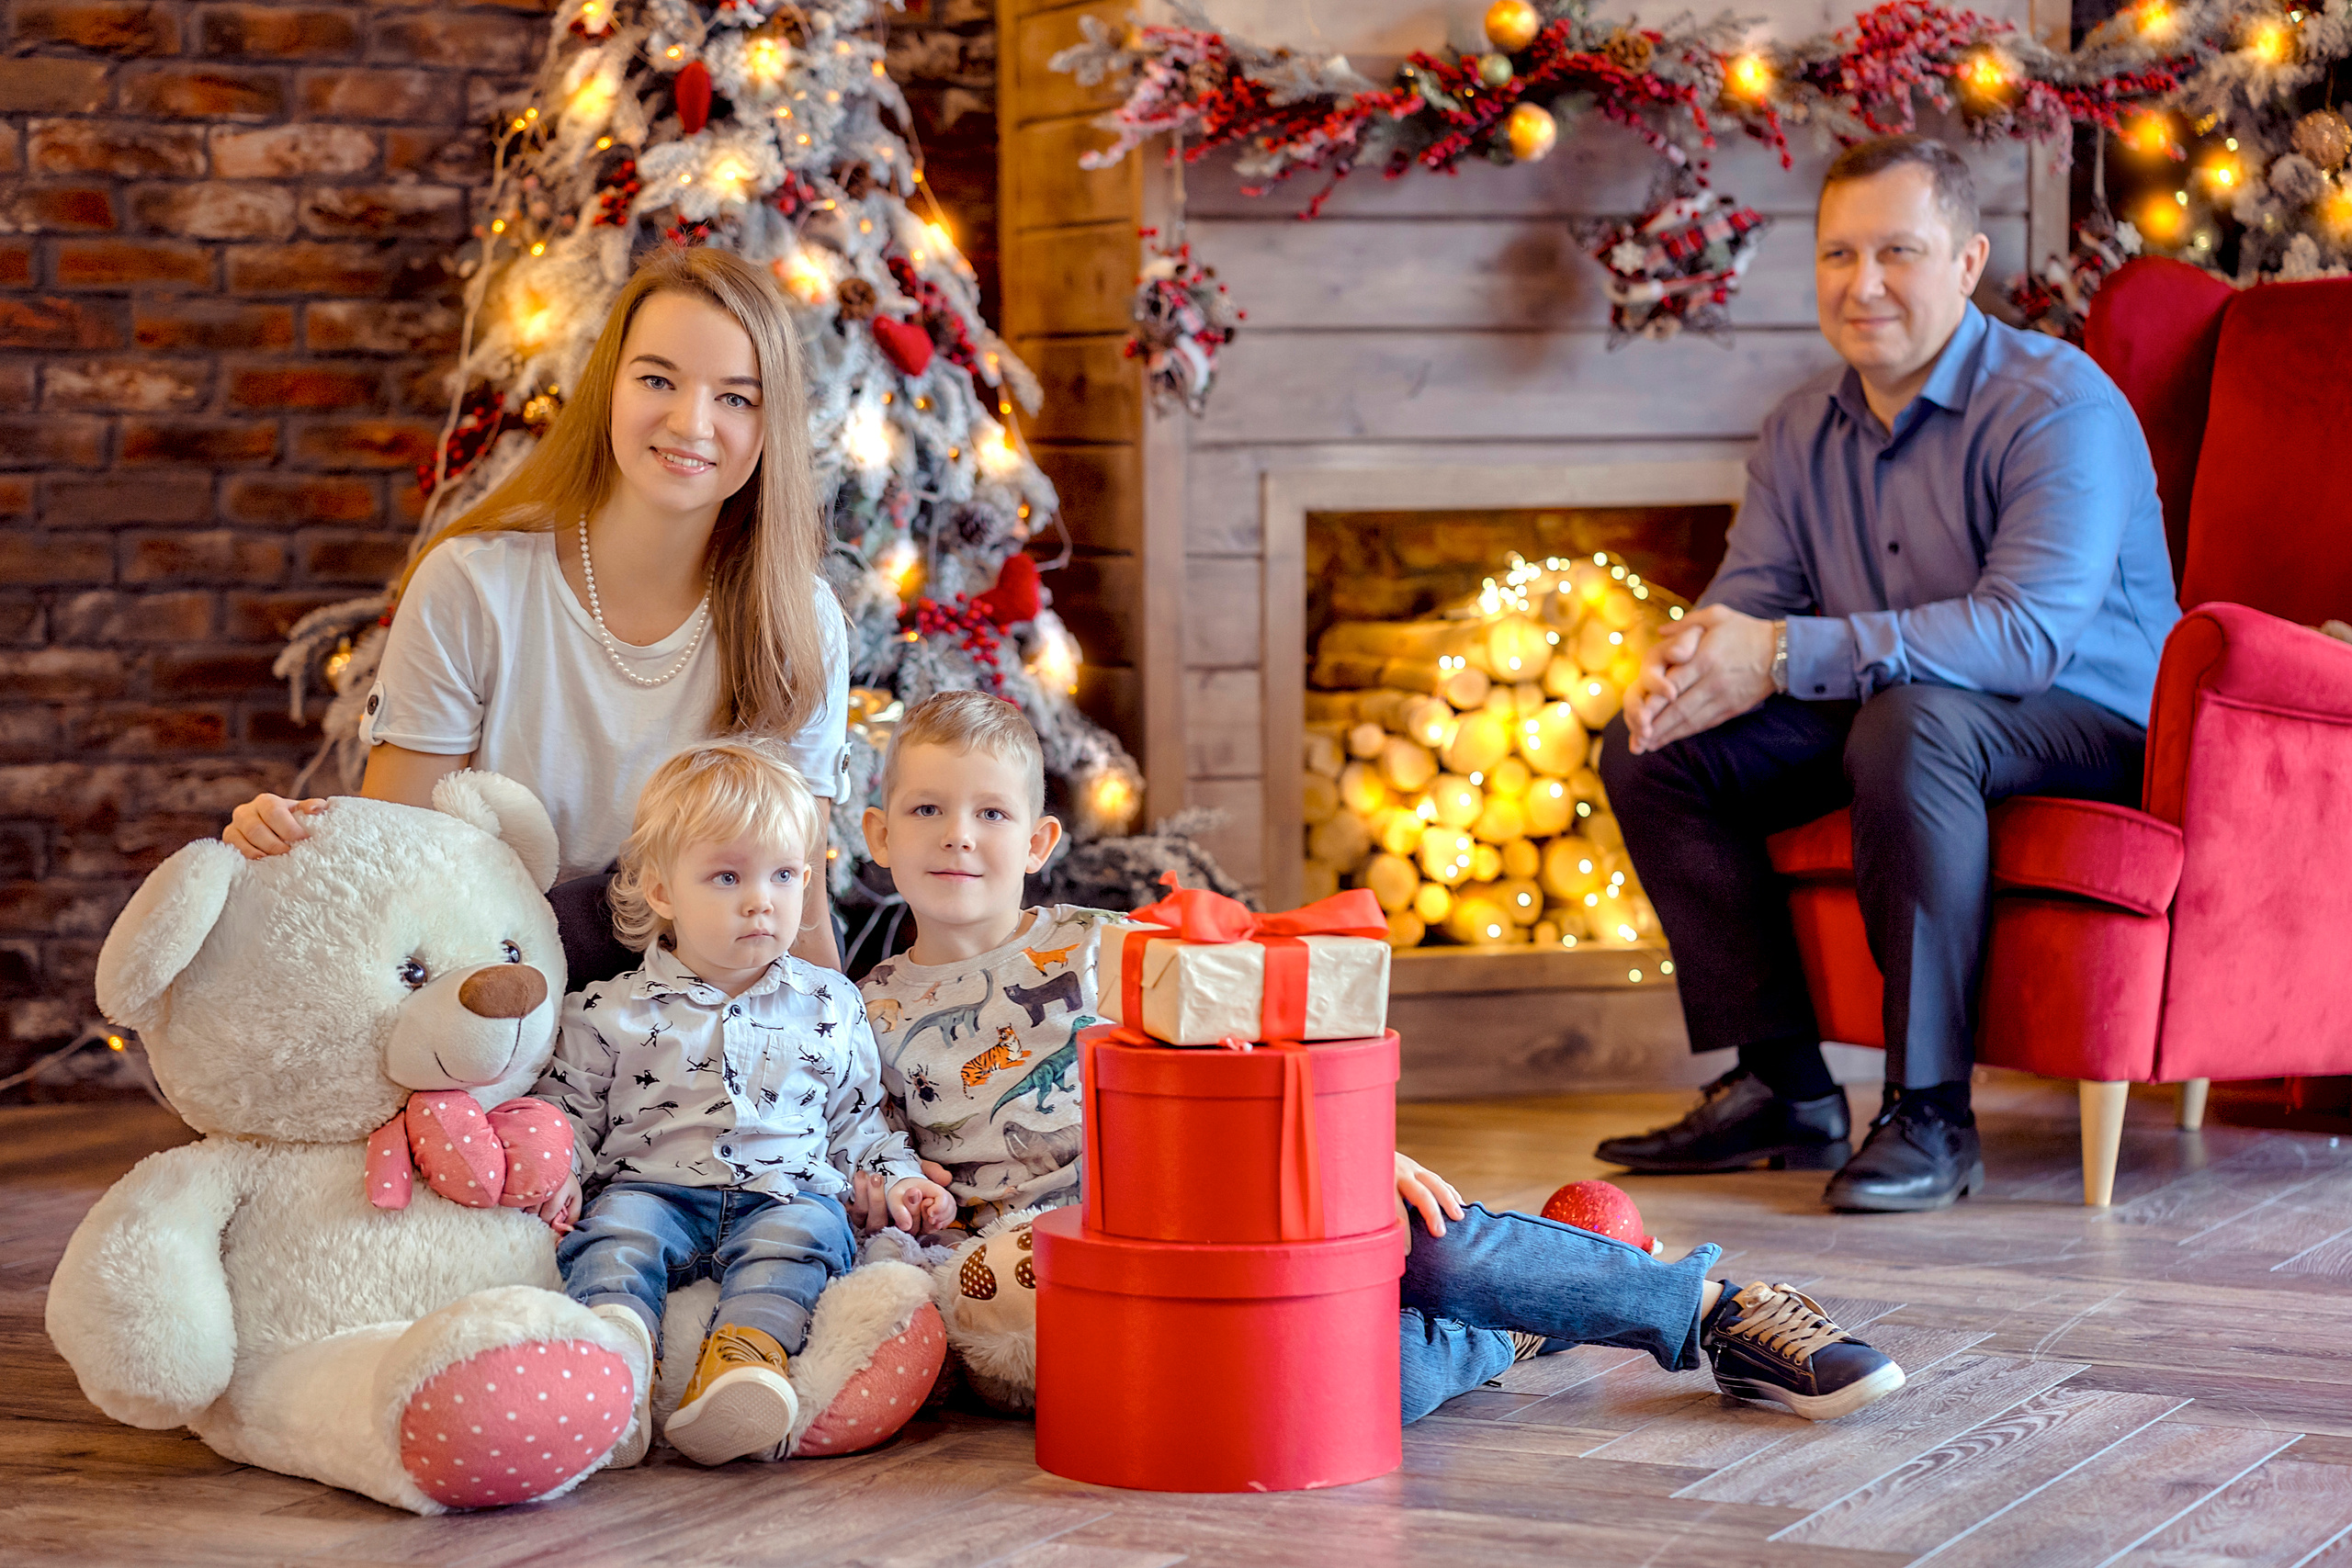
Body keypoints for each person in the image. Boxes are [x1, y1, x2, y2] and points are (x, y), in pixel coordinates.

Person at [853, 692, 1907, 1426]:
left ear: (1038, 843)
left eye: (990, 813)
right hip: (1070, 1290)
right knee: (1337, 1390)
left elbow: (1253, 1042)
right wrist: (899, 1194)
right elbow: (873, 1147)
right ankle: (1512, 1333)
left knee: (1428, 1237)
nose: (958, 837)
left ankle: (1717, 1316)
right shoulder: (866, 1013)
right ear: (876, 834)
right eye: (929, 811)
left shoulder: (1105, 944)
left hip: (1214, 1198)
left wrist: (1352, 1153)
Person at [1593, 135, 2181, 1213]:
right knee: (1654, 748)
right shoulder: (1797, 431)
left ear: (1967, 263)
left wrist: (1775, 657)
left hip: (2094, 723)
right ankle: (1784, 1086)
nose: (1861, 285)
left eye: (1897, 252)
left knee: (1909, 725)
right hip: (1901, 711)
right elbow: (1751, 599)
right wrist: (1686, 665)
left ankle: (1930, 1114)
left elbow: (2022, 640)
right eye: (1836, 255)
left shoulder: (2058, 406)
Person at [220, 245, 853, 981]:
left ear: (771, 427)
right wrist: (282, 842)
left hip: (706, 1040)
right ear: (607, 390)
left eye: (736, 397)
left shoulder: (800, 620)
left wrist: (849, 1069)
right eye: (657, 379)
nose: (691, 421)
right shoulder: (472, 588)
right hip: (498, 1009)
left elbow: (799, 908)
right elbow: (394, 866)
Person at [530, 740, 954, 1468]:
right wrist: (559, 1168)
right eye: (727, 876)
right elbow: (567, 1106)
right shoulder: (606, 1011)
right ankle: (616, 1364)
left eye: (785, 874)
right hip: (652, 1188)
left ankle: (742, 1368)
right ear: (662, 890)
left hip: (783, 1192)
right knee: (615, 1234)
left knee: (805, 1238)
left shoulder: (830, 1003)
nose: (762, 899)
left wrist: (902, 1178)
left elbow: (857, 1120)